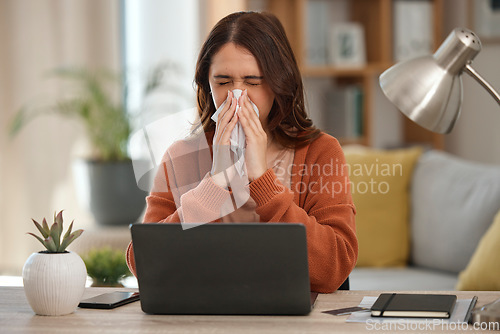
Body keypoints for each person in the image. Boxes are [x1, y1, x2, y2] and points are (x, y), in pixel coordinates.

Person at [126, 11, 358, 293]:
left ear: (278, 84)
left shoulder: (321, 152)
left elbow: (334, 267)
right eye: (223, 83)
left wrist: (263, 180)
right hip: (203, 314)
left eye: (253, 82)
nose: (238, 97)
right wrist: (213, 185)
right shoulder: (180, 157)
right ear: (206, 85)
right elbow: (143, 265)